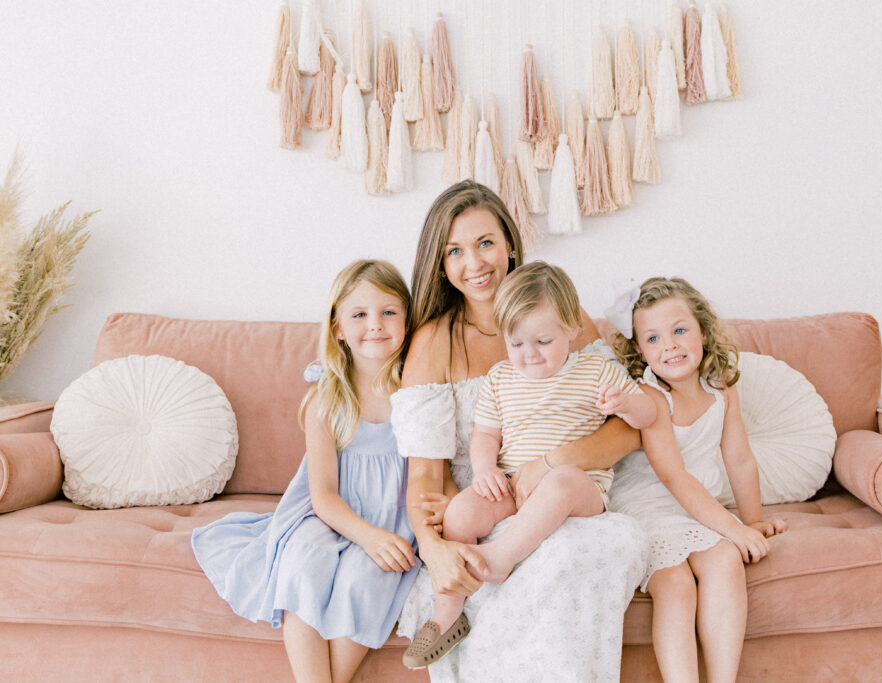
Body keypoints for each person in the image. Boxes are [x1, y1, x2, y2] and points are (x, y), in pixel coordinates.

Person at [390, 181, 646, 682]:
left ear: (509, 241)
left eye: (486, 242)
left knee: (571, 555)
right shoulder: (434, 341)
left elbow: (628, 431)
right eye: (455, 251)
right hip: (492, 500)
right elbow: (424, 478)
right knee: (485, 557)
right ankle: (460, 609)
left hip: (568, 494)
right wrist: (436, 549)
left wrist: (554, 463)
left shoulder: (562, 317)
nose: (475, 263)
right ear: (440, 264)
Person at [191, 260, 419, 683]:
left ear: (407, 320)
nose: (376, 325)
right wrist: (365, 535)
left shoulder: (415, 393)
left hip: (394, 520)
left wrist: (378, 539)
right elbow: (323, 497)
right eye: (360, 314)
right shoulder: (326, 399)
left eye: (389, 311)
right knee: (303, 563)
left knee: (365, 576)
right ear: (337, 328)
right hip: (324, 514)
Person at [607, 277, 788, 683]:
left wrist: (751, 521)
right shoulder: (651, 397)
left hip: (698, 506)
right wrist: (733, 529)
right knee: (676, 584)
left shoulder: (721, 384)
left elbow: (738, 457)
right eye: (653, 338)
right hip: (647, 507)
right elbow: (673, 476)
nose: (669, 345)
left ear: (703, 331)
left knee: (725, 560)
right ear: (640, 350)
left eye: (680, 330)